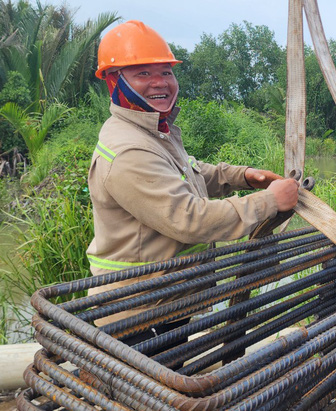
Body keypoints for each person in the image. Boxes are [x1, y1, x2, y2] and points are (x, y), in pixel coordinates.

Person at [86, 20, 299, 330]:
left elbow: (189, 173)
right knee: (154, 379)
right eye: (143, 73)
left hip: (167, 298)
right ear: (113, 82)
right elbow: (189, 220)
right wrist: (268, 201)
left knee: (174, 376)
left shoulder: (154, 129)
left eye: (166, 72)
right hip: (137, 312)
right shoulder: (129, 151)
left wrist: (244, 176)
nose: (159, 82)